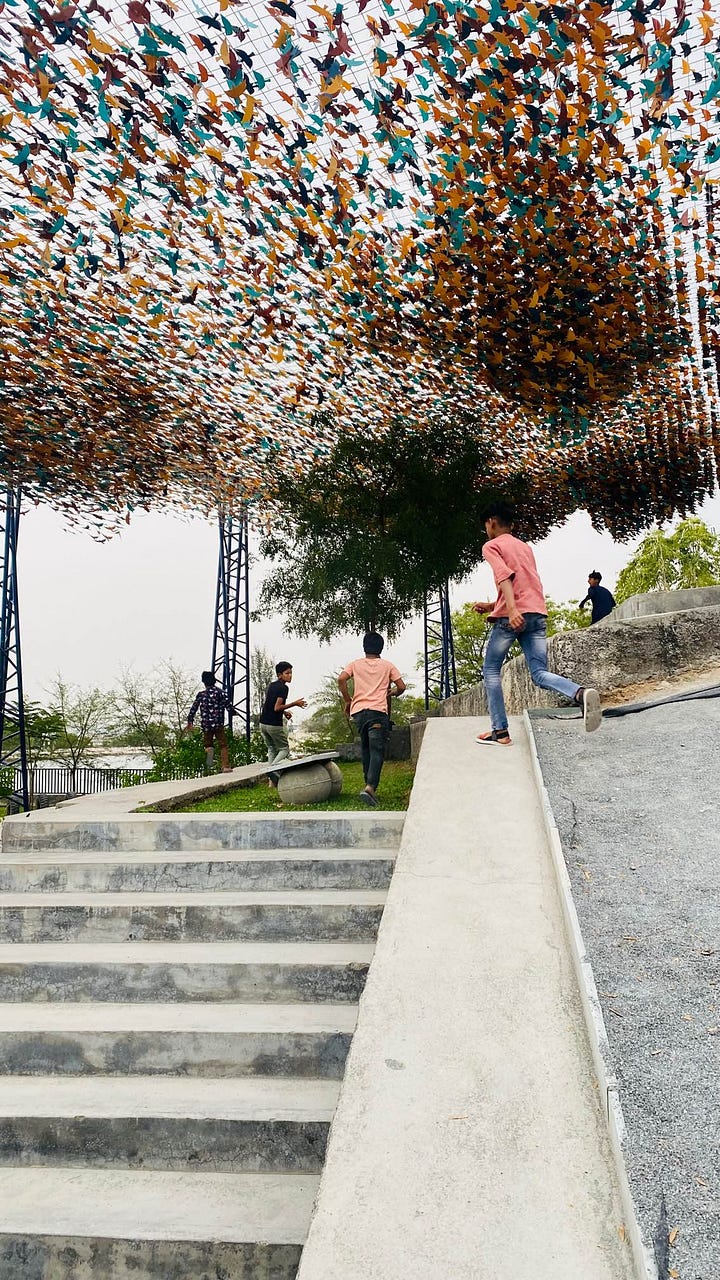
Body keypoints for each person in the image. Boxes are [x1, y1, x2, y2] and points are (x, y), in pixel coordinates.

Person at [473, 503, 602, 745]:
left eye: (486, 526)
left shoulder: (491, 545)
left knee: (491, 670)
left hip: (514, 615)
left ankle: (500, 731)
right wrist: (492, 606)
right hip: (536, 613)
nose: (486, 530)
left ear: (491, 522)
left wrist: (510, 610)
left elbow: (504, 576)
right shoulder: (524, 547)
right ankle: (580, 693)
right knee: (539, 673)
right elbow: (523, 583)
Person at [338, 632, 406, 807]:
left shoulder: (355, 664)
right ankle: (370, 787)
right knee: (377, 750)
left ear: (364, 647)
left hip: (359, 713)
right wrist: (394, 692)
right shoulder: (388, 666)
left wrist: (348, 700)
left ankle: (367, 786)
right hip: (377, 712)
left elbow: (341, 679)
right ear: (381, 648)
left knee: (366, 748)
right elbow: (401, 686)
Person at [259, 662, 307, 783]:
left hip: (263, 723)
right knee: (284, 749)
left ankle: (272, 782)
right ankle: (272, 770)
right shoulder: (283, 688)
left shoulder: (272, 685)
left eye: (291, 673)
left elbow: (272, 704)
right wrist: (295, 703)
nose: (290, 676)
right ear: (280, 675)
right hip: (273, 724)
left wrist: (284, 712)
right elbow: (276, 708)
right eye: (287, 673)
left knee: (271, 749)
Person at [186, 670, 232, 772]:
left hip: (206, 724)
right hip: (218, 723)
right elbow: (228, 706)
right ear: (214, 680)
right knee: (223, 745)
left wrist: (190, 721)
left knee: (208, 745)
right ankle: (225, 766)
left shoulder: (201, 695)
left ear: (204, 682)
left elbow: (194, 708)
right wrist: (233, 712)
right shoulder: (221, 693)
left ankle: (210, 764)